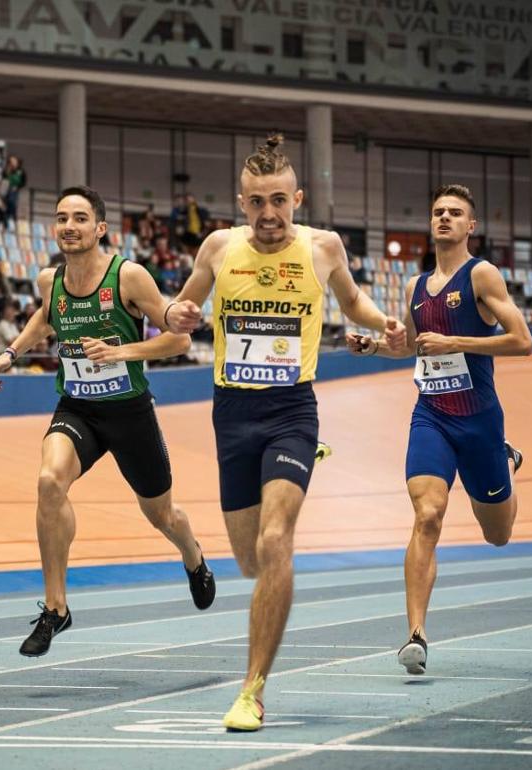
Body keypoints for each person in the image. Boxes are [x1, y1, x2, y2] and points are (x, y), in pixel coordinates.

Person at [164, 134, 406, 731]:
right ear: (240, 202)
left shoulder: (322, 247)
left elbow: (352, 304)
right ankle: (287, 474)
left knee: (276, 543)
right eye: (256, 202)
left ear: (297, 198)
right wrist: (181, 314)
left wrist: (385, 322)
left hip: (292, 412)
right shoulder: (218, 247)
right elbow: (178, 311)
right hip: (233, 415)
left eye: (278, 201)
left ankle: (251, 690)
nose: (268, 214)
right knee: (249, 560)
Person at [0, 185, 215, 658]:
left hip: (129, 412)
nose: (69, 226)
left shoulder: (128, 276)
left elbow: (177, 342)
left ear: (100, 228)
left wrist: (122, 350)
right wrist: (11, 352)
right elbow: (45, 319)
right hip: (78, 408)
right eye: (62, 218)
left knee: (162, 515)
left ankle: (193, 557)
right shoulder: (51, 280)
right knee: (49, 481)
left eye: (80, 218)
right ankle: (56, 608)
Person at [348, 184, 532, 677]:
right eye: (438, 212)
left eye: (455, 213)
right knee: (428, 513)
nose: (444, 219)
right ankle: (415, 635)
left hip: (479, 422)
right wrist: (372, 347)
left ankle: (505, 465)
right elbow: (413, 347)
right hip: (431, 415)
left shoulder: (483, 275)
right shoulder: (417, 285)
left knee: (498, 535)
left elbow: (522, 340)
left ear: (471, 226)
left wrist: (457, 339)